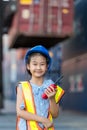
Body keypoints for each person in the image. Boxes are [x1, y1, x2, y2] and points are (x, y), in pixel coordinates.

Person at [16, 45, 59, 130]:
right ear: (28, 66)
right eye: (35, 64)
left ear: (47, 66)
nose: (38, 67)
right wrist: (43, 120)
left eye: (42, 64)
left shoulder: (52, 86)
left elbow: (55, 114)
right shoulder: (22, 87)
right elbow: (20, 112)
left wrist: (52, 98)